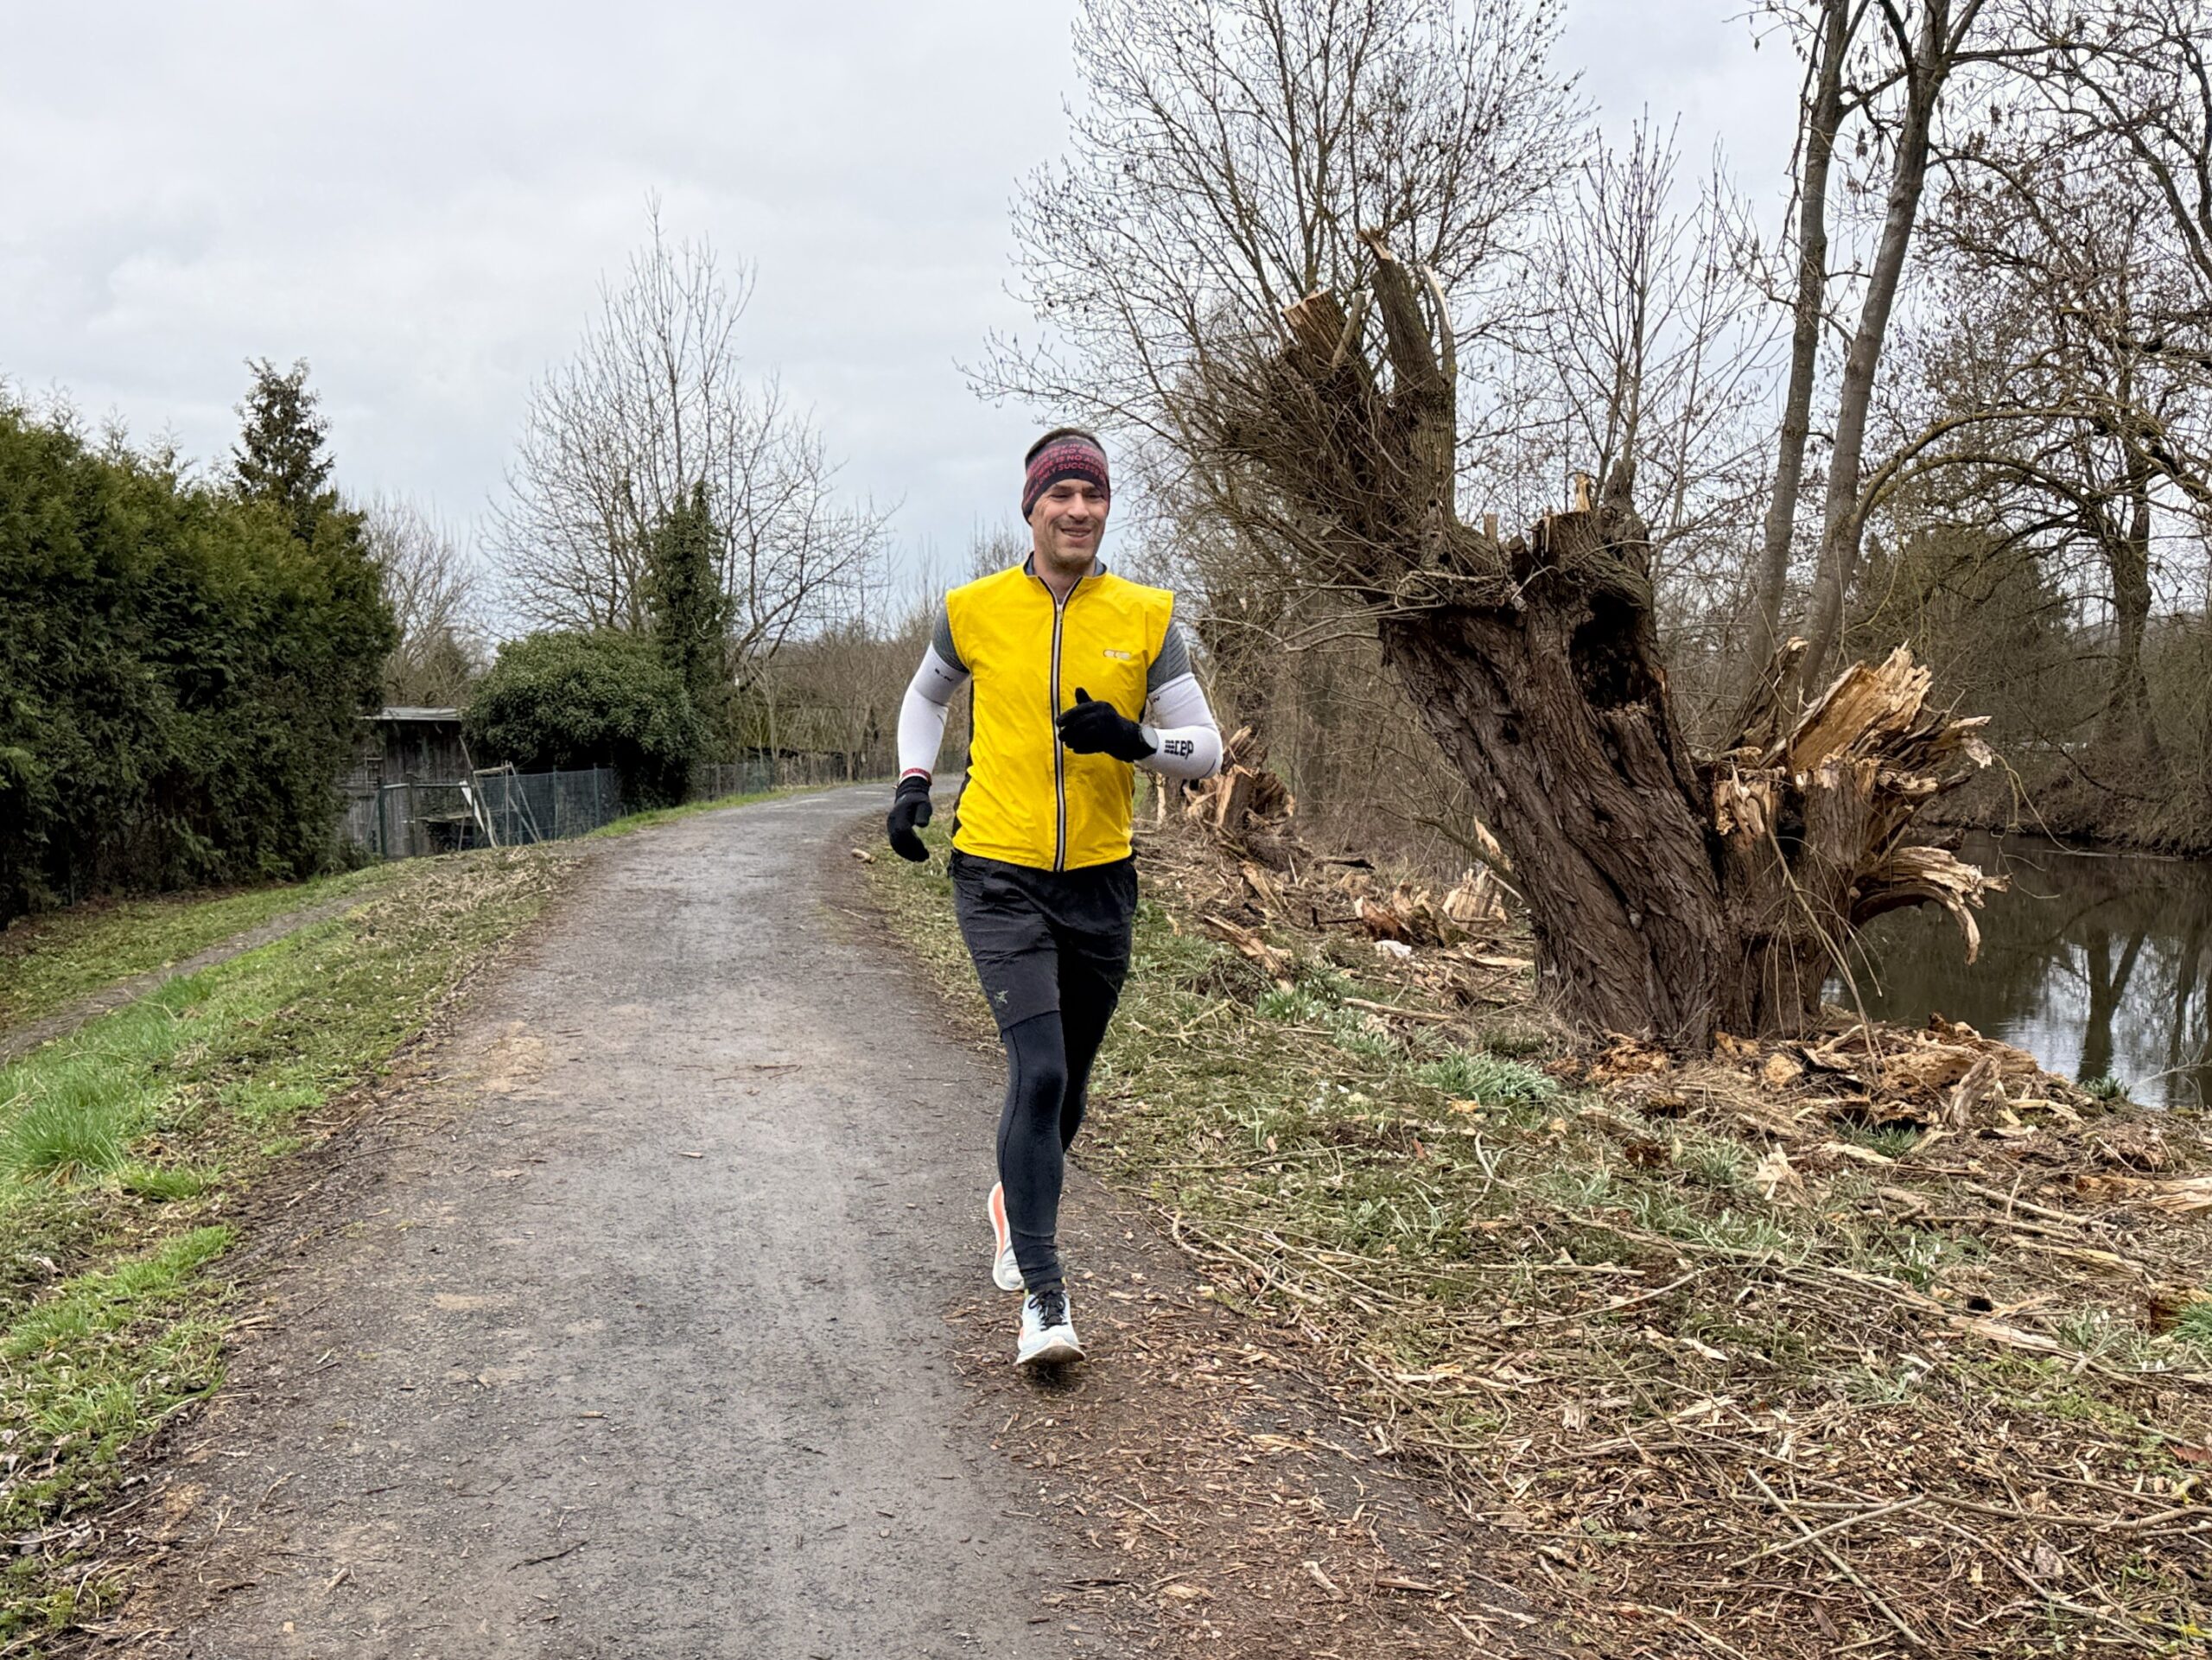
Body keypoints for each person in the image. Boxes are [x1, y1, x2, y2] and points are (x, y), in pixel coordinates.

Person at [887, 429, 1222, 1365]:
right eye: (1061, 495)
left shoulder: (1147, 615)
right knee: (1037, 1073)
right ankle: (1044, 1296)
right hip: (998, 871)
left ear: (1106, 507)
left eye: (1093, 495)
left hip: (1102, 881)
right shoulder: (974, 609)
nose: (1079, 510)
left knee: (1067, 1084)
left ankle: (1014, 1197)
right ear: (1030, 508)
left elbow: (1206, 748)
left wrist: (1136, 740)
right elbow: (926, 698)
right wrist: (913, 781)